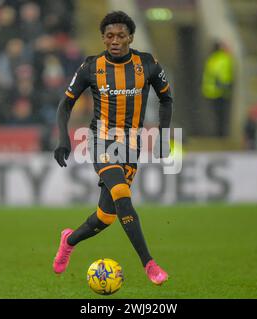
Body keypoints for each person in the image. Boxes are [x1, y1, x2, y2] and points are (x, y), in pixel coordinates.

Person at [52, 11, 172, 285]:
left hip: (131, 145)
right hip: (100, 140)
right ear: (103, 39)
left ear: (130, 37)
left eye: (120, 36)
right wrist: (63, 138)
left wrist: (164, 137)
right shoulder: (90, 67)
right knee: (120, 191)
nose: (115, 41)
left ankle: (68, 240)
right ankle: (149, 264)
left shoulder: (148, 64)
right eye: (109, 36)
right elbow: (65, 104)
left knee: (105, 217)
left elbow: (166, 100)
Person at [201, 40, 234, 137]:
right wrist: (224, 86)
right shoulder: (224, 58)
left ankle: (218, 133)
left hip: (211, 91)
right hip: (220, 91)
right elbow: (219, 75)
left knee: (216, 115)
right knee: (222, 115)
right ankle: (221, 134)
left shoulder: (212, 58)